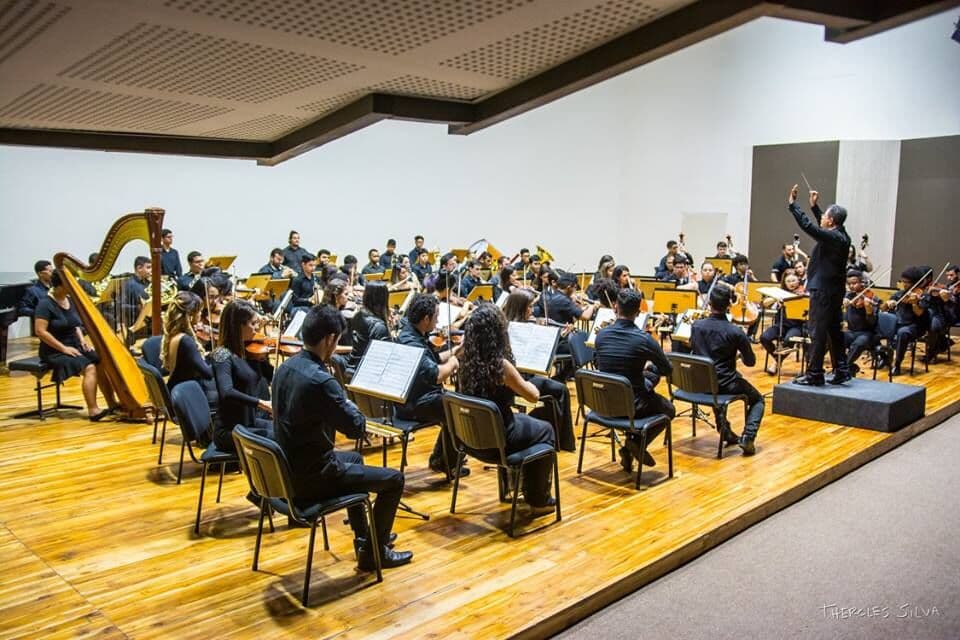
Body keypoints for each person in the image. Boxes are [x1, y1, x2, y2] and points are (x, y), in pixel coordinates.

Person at [272, 304, 411, 570]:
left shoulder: (285, 367)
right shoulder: (321, 381)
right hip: (314, 479)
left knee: (355, 458)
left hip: (288, 468)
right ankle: (375, 553)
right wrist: (344, 398)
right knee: (394, 479)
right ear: (329, 339)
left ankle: (365, 540)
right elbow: (356, 428)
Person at [458, 304, 557, 511]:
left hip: (470, 438)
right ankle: (538, 498)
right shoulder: (500, 365)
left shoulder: (464, 360)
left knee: (527, 423)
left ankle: (515, 485)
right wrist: (529, 380)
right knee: (545, 429)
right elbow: (533, 396)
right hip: (499, 439)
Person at [594, 288, 675, 471]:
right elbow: (667, 369)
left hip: (602, 401)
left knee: (648, 377)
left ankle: (630, 449)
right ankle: (636, 443)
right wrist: (649, 365)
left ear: (616, 308)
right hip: (631, 404)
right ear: (638, 313)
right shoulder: (643, 339)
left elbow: (602, 363)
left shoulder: (601, 335)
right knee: (668, 409)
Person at [395, 294, 466, 477]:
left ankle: (440, 458)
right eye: (436, 316)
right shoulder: (412, 343)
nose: (438, 321)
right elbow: (436, 375)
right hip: (413, 404)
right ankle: (445, 462)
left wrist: (455, 352)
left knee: (450, 404)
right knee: (457, 408)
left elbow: (432, 361)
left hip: (416, 398)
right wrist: (452, 363)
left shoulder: (412, 333)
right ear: (426, 319)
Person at [787, 184, 852, 385]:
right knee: (834, 330)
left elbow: (810, 227)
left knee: (816, 331)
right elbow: (822, 226)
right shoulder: (841, 235)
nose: (822, 217)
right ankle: (842, 369)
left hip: (823, 291)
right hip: (834, 291)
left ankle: (815, 374)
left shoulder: (833, 236)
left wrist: (793, 206)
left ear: (831, 220)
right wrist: (815, 207)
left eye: (825, 216)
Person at [690, 287, 764, 454]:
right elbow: (751, 362)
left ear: (709, 304)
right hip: (725, 384)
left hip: (701, 382)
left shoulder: (696, 326)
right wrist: (739, 353)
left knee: (715, 380)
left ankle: (725, 431)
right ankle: (748, 437)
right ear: (730, 306)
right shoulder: (735, 331)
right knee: (758, 400)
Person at [503, 290, 577, 451]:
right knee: (560, 390)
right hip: (518, 380)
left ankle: (556, 435)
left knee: (557, 390)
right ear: (520, 308)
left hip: (524, 377)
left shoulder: (522, 325)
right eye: (529, 307)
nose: (532, 311)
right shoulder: (511, 329)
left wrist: (558, 337)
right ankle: (562, 440)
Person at [34, 270, 110, 420]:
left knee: (100, 360)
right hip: (54, 350)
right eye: (71, 283)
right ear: (60, 286)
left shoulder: (69, 299)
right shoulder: (45, 304)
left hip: (74, 345)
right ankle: (93, 410)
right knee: (89, 368)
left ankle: (112, 402)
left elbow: (74, 324)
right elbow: (40, 332)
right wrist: (63, 348)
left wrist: (82, 340)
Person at [211, 300, 273, 452]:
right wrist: (261, 403)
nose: (256, 328)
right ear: (238, 326)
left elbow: (271, 376)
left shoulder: (250, 352)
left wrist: (265, 359)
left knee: (289, 430)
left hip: (250, 423)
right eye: (253, 324)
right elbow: (227, 392)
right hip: (231, 431)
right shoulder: (222, 355)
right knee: (281, 439)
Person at [162, 291, 214, 389]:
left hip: (178, 386)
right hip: (187, 391)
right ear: (190, 315)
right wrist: (221, 356)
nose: (200, 315)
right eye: (199, 311)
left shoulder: (176, 334)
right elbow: (208, 374)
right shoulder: (185, 340)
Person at [883, 267, 929, 375]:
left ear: (915, 282)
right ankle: (884, 358)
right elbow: (883, 308)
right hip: (897, 323)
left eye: (907, 282)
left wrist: (914, 303)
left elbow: (919, 313)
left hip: (915, 326)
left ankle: (897, 364)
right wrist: (888, 304)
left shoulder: (923, 296)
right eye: (903, 281)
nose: (904, 285)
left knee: (902, 332)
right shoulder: (899, 294)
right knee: (878, 326)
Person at [759, 272, 806, 374]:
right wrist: (776, 298)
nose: (791, 283)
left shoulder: (803, 294)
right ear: (784, 283)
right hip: (781, 325)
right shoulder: (780, 293)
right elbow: (765, 304)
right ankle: (778, 357)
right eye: (788, 281)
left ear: (798, 280)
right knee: (764, 337)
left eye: (793, 280)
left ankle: (776, 362)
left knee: (789, 339)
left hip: (796, 326)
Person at [841, 270, 878, 375]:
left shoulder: (871, 297)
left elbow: (872, 322)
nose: (851, 286)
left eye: (854, 283)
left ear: (862, 282)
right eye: (849, 284)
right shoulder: (849, 295)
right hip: (851, 331)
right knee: (835, 338)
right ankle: (849, 366)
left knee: (859, 343)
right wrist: (844, 301)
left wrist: (869, 310)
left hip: (867, 333)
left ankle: (843, 368)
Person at [348, 282, 392, 369]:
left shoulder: (358, 315)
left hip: (354, 364)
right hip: (366, 370)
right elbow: (387, 356)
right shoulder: (378, 326)